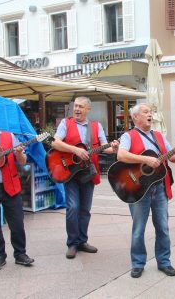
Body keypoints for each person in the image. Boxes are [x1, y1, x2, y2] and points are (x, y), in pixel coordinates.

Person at [117, 103, 175, 278]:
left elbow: (173, 156)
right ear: (135, 117)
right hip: (138, 188)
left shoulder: (159, 136)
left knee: (163, 227)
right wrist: (145, 159)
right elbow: (121, 155)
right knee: (138, 228)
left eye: (151, 112)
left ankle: (164, 262)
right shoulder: (128, 136)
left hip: (159, 187)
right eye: (146, 112)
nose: (150, 115)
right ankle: (138, 263)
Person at [52, 96, 118, 259]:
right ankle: (72, 243)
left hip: (88, 173)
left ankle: (82, 241)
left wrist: (114, 147)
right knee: (73, 207)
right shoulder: (65, 124)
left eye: (81, 106)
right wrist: (75, 150)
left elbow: (105, 148)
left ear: (88, 109)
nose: (77, 109)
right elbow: (55, 143)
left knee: (85, 210)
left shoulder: (96, 126)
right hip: (70, 172)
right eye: (75, 106)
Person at [0, 128, 34, 271]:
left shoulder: (8, 136)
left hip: (10, 186)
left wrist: (19, 153)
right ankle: (0, 256)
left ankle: (20, 254)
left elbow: (23, 161)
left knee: (17, 223)